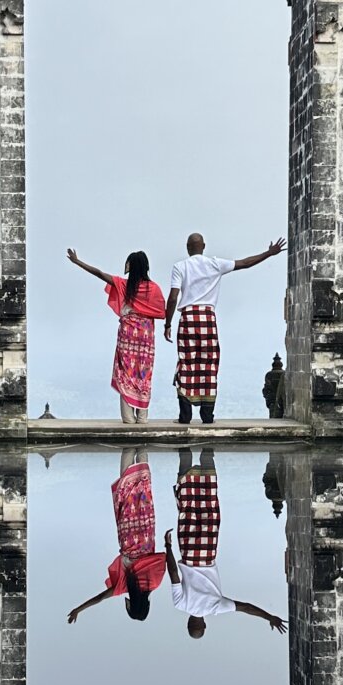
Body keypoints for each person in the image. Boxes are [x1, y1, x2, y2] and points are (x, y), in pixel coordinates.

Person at [163, 232, 285, 424]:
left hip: (187, 318)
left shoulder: (180, 267)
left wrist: (168, 323)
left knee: (186, 364)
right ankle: (207, 415)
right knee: (209, 364)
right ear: (203, 246)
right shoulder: (215, 264)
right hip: (208, 318)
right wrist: (269, 253)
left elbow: (172, 297)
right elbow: (245, 263)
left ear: (188, 248)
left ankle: (185, 415)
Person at [164, 450, 287, 640]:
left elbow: (245, 607)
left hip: (208, 552)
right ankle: (185, 455)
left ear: (204, 623)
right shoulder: (181, 605)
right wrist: (167, 548)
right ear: (188, 622)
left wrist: (269, 617)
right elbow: (173, 574)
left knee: (210, 509)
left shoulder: (215, 607)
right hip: (188, 552)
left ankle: (207, 457)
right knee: (187, 508)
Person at [67, 246, 167, 422]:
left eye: (128, 262)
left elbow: (98, 273)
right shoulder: (154, 289)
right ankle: (142, 416)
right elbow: (161, 310)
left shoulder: (124, 285)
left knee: (126, 371)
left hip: (127, 333)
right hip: (145, 336)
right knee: (143, 372)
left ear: (132, 266)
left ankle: (128, 417)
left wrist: (77, 262)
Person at [68, 449, 167, 625]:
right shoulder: (123, 587)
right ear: (131, 606)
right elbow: (99, 598)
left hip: (146, 531)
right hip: (127, 535)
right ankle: (129, 446)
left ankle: (142, 445)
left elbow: (161, 558)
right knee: (125, 493)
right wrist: (78, 609)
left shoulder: (155, 582)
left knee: (144, 491)